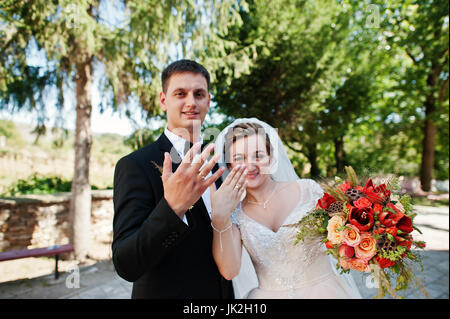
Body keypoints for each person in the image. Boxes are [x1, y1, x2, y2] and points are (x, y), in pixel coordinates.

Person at [112, 59, 234, 299]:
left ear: (208, 101)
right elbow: (126, 264)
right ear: (163, 100)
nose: (191, 102)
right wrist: (172, 208)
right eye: (180, 93)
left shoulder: (220, 162)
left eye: (199, 94)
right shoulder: (135, 165)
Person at [210, 118, 361, 299]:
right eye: (239, 158)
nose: (250, 165)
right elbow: (229, 271)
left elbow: (349, 231)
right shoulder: (234, 216)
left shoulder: (308, 191)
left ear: (271, 159)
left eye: (258, 155)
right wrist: (219, 216)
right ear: (229, 166)